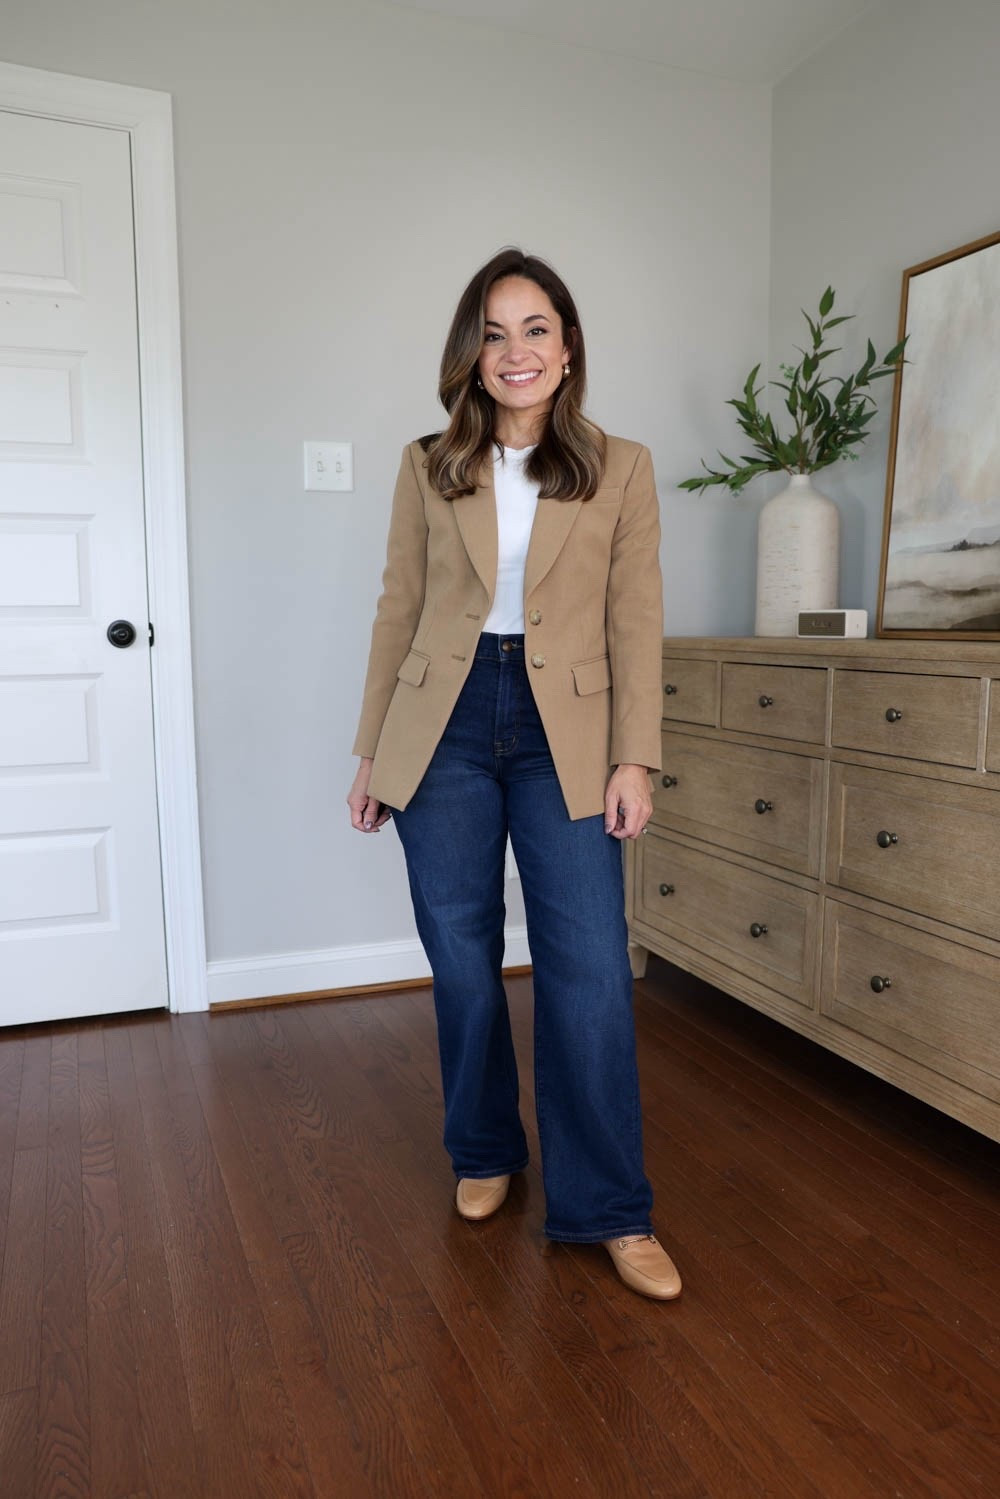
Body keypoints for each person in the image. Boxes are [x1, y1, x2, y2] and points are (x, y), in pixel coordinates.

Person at [347, 248, 681, 1301]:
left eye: (535, 329)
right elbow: (398, 607)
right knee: (460, 956)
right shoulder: (427, 463)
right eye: (493, 333)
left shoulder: (621, 465)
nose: (515, 350)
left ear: (567, 347)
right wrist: (373, 750)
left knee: (588, 967)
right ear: (472, 353)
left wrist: (635, 755)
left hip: (565, 728)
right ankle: (485, 1147)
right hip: (441, 723)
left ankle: (610, 1206)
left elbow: (636, 618)